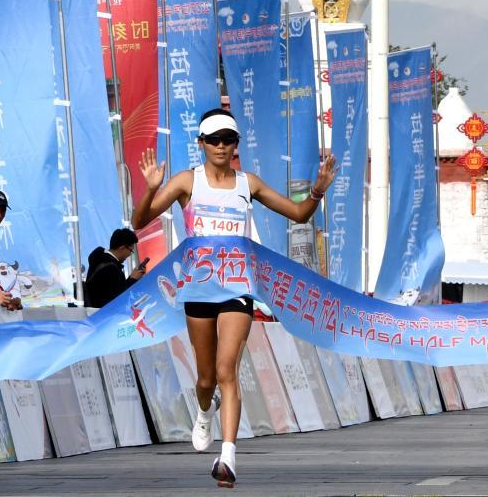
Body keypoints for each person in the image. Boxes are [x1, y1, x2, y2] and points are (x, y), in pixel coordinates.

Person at [131, 109, 336, 487]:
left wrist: (318, 191)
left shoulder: (248, 183)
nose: (221, 146)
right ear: (201, 143)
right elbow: (138, 222)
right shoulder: (186, 181)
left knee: (227, 370)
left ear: (236, 144)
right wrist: (151, 189)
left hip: (238, 288)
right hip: (199, 289)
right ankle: (204, 411)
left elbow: (299, 214)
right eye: (214, 140)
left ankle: (227, 457)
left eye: (228, 140)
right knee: (206, 378)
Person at [84, 228, 147, 309]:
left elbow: (116, 290)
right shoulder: (110, 268)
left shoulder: (101, 260)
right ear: (122, 248)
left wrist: (132, 277)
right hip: (104, 313)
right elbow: (118, 299)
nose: (130, 254)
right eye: (131, 251)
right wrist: (132, 280)